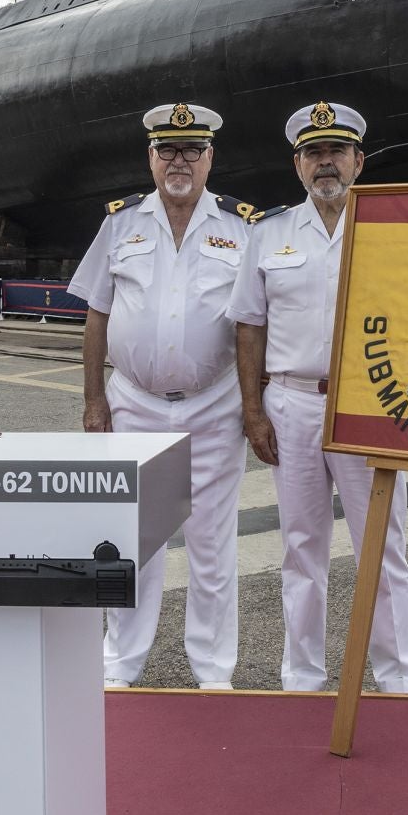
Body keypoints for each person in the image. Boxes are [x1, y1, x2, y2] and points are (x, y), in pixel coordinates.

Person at [227, 101, 408, 693]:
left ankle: (399, 676)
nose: (325, 164)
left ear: (359, 161)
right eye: (314, 154)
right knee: (301, 547)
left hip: (373, 403)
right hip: (292, 404)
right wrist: (252, 412)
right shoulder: (270, 234)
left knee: (383, 546)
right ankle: (303, 675)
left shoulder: (395, 230)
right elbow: (248, 326)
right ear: (298, 166)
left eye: (336, 152)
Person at [68, 102, 256, 690]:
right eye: (168, 151)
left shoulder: (240, 226)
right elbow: (97, 314)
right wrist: (94, 400)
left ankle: (213, 668)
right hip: (137, 402)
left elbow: (253, 323)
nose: (180, 162)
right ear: (151, 158)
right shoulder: (120, 224)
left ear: (209, 158)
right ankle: (121, 664)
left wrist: (254, 406)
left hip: (214, 403)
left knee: (212, 542)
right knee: (136, 541)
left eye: (192, 151)